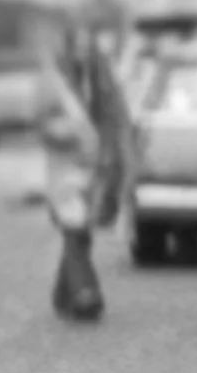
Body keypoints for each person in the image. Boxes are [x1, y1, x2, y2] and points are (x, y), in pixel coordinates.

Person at [43, 27, 131, 322]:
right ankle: (85, 292)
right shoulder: (55, 78)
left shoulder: (101, 76)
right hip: (65, 164)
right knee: (74, 224)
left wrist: (115, 155)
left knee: (82, 228)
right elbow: (42, 119)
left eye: (86, 43)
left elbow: (116, 114)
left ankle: (63, 294)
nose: (82, 50)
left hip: (96, 164)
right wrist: (63, 135)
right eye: (76, 43)